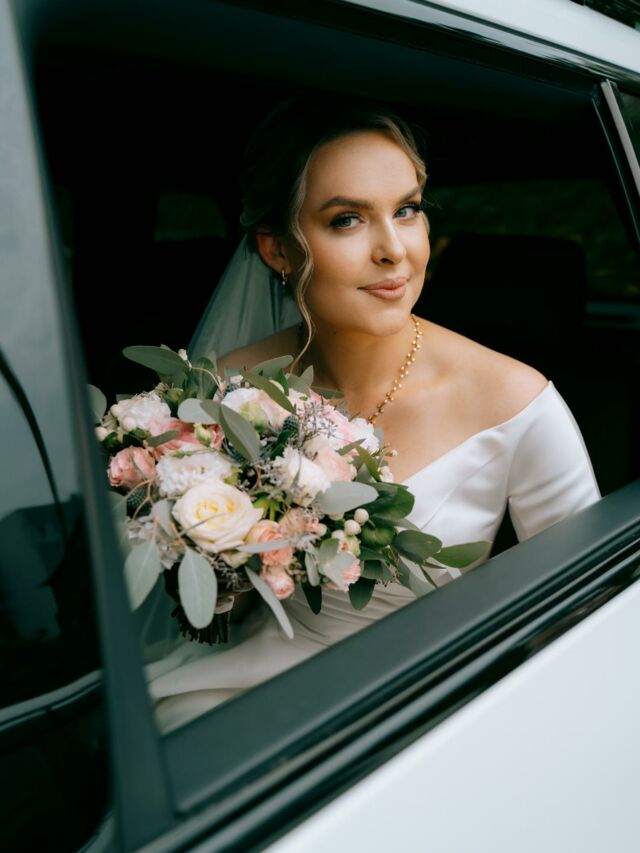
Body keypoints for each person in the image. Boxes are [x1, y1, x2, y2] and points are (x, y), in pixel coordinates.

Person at [146, 95, 601, 732]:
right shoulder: (227, 388)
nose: (394, 250)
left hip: (425, 710)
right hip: (252, 684)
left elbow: (586, 620)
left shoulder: (515, 402)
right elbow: (210, 599)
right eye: (347, 220)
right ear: (278, 250)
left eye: (407, 210)